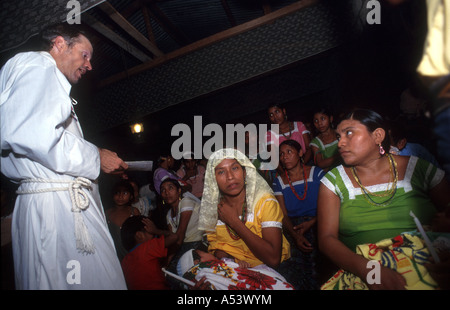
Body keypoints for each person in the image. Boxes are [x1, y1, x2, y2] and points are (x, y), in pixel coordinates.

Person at [0, 23, 128, 289]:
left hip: (48, 199)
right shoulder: (38, 65)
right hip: (55, 207)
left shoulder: (37, 72)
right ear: (59, 44)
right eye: (85, 54)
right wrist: (96, 156)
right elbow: (31, 134)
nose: (89, 65)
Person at [317, 108, 450, 290]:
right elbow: (326, 239)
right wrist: (369, 271)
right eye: (339, 136)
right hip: (363, 271)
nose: (340, 143)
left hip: (430, 264)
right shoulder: (332, 182)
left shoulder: (418, 169)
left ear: (377, 135)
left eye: (349, 133)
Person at [198, 148, 290, 271]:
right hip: (235, 269)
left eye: (235, 168)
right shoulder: (213, 209)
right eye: (221, 172)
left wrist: (234, 222)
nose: (230, 177)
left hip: (274, 271)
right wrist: (228, 259)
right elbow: (217, 247)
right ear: (213, 180)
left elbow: (273, 259)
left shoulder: (264, 202)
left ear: (245, 172)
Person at [273, 139, 325, 290]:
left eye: (289, 152)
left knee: (317, 265)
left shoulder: (317, 173)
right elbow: (282, 214)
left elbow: (329, 205)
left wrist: (312, 222)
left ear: (300, 153)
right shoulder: (279, 181)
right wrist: (296, 236)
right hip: (293, 227)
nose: (285, 157)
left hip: (319, 222)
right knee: (296, 270)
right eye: (281, 154)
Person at [176, 248, 294, 290]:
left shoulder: (224, 263)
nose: (209, 253)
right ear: (197, 262)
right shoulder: (207, 271)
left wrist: (241, 266)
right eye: (205, 252)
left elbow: (237, 270)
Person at [160, 178, 204, 284]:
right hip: (183, 246)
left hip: (198, 244)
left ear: (179, 190)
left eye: (170, 188)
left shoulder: (186, 202)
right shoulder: (169, 214)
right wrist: (167, 263)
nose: (167, 193)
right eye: (163, 190)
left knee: (178, 275)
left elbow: (179, 236)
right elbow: (174, 241)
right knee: (168, 274)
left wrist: (156, 231)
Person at [120, 215, 177, 290]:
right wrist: (156, 230)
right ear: (139, 235)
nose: (155, 236)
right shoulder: (147, 248)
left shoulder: (124, 261)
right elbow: (174, 237)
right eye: (151, 233)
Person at [106, 180, 141, 261]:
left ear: (131, 196)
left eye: (125, 193)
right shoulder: (107, 213)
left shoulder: (134, 211)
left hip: (131, 252)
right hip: (113, 253)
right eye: (117, 193)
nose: (120, 197)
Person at [310, 107, 341, 172]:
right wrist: (341, 155)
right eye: (316, 121)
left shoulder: (340, 133)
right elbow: (321, 164)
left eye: (323, 119)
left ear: (330, 119)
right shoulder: (315, 143)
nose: (319, 123)